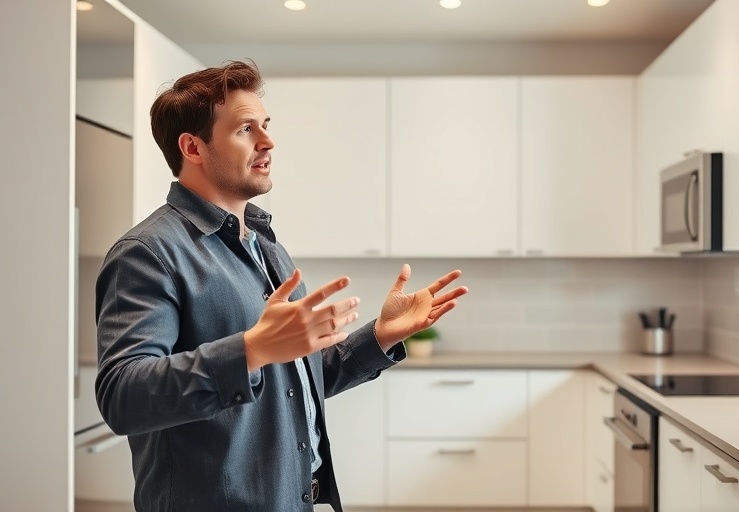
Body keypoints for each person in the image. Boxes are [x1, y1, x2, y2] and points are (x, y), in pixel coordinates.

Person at [94, 60, 468, 512]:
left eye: (266, 125)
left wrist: (381, 336)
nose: (268, 141)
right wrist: (251, 349)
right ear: (193, 147)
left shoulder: (265, 245)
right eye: (245, 129)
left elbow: (293, 383)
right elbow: (123, 397)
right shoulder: (149, 252)